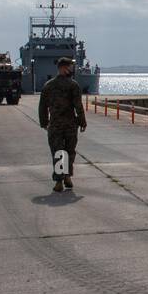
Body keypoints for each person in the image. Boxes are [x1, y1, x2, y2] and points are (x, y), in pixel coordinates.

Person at [39, 56, 86, 192]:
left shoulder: (48, 85)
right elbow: (78, 106)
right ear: (63, 68)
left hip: (55, 125)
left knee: (59, 152)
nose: (72, 69)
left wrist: (44, 122)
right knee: (69, 152)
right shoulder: (73, 85)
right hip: (70, 125)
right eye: (70, 66)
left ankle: (60, 180)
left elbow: (43, 107)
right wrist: (82, 121)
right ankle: (67, 177)